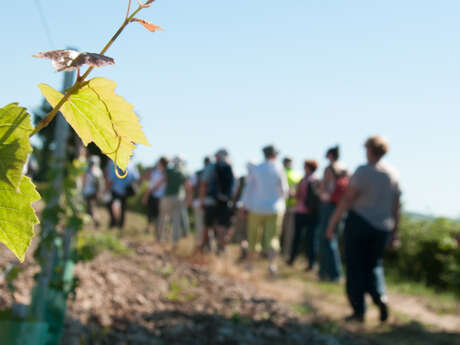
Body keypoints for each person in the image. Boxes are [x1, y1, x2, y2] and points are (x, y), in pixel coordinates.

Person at [326, 136, 401, 323]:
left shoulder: (364, 171)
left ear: (369, 150)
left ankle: (358, 311)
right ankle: (379, 297)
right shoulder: (393, 174)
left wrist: (332, 223)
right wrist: (395, 233)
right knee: (374, 265)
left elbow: (347, 199)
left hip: (360, 223)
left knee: (355, 267)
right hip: (382, 228)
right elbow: (396, 207)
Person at [241, 145, 289, 274]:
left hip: (256, 207)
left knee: (253, 236)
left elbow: (248, 188)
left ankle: (250, 264)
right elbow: (284, 190)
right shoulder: (279, 168)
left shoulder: (257, 168)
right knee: (273, 237)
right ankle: (272, 265)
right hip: (275, 208)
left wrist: (244, 205)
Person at [318, 146, 348, 281]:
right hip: (341, 207)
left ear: (330, 155)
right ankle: (334, 273)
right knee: (333, 238)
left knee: (326, 239)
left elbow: (324, 190)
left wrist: (320, 193)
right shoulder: (345, 168)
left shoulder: (329, 169)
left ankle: (327, 273)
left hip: (329, 206)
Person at [199, 149, 235, 254]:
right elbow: (234, 188)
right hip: (225, 202)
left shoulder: (211, 167)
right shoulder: (230, 168)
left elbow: (203, 184)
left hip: (211, 201)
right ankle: (221, 249)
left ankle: (205, 248)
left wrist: (202, 201)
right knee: (222, 226)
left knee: (207, 225)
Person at [287, 160, 320, 269]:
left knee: (298, 237)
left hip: (302, 212)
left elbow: (297, 196)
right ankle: (310, 263)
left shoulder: (304, 180)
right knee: (310, 239)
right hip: (311, 213)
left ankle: (292, 259)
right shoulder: (316, 180)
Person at [157, 156, 187, 244]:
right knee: (176, 220)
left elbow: (163, 180)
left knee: (163, 218)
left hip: (167, 197)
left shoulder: (169, 170)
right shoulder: (182, 173)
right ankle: (175, 241)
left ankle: (160, 238)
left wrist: (155, 188)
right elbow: (186, 186)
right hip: (178, 198)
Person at [105, 160, 139, 229]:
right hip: (126, 190)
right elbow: (136, 177)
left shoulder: (112, 164)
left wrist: (107, 189)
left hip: (115, 189)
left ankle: (114, 222)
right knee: (123, 208)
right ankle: (121, 225)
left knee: (111, 205)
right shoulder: (132, 164)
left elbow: (110, 179)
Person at [280, 157, 302, 258]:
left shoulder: (293, 174)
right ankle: (284, 252)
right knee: (286, 231)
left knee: (284, 230)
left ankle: (282, 252)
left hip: (288, 205)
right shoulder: (295, 174)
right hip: (287, 205)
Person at [142, 157, 168, 238]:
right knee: (157, 215)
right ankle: (159, 231)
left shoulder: (157, 173)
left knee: (152, 214)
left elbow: (151, 186)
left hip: (155, 196)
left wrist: (146, 196)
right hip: (161, 197)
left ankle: (154, 230)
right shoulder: (165, 174)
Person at [189, 157, 211, 248]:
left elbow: (191, 186)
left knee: (199, 225)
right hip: (211, 203)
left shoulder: (198, 173)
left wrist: (190, 199)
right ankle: (207, 246)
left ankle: (199, 246)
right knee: (208, 226)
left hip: (199, 202)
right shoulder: (213, 173)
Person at [82, 155, 104, 227]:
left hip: (93, 193)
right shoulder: (88, 170)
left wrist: (99, 194)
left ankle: (97, 222)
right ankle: (93, 223)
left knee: (92, 209)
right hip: (88, 192)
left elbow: (100, 185)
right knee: (89, 209)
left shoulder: (97, 172)